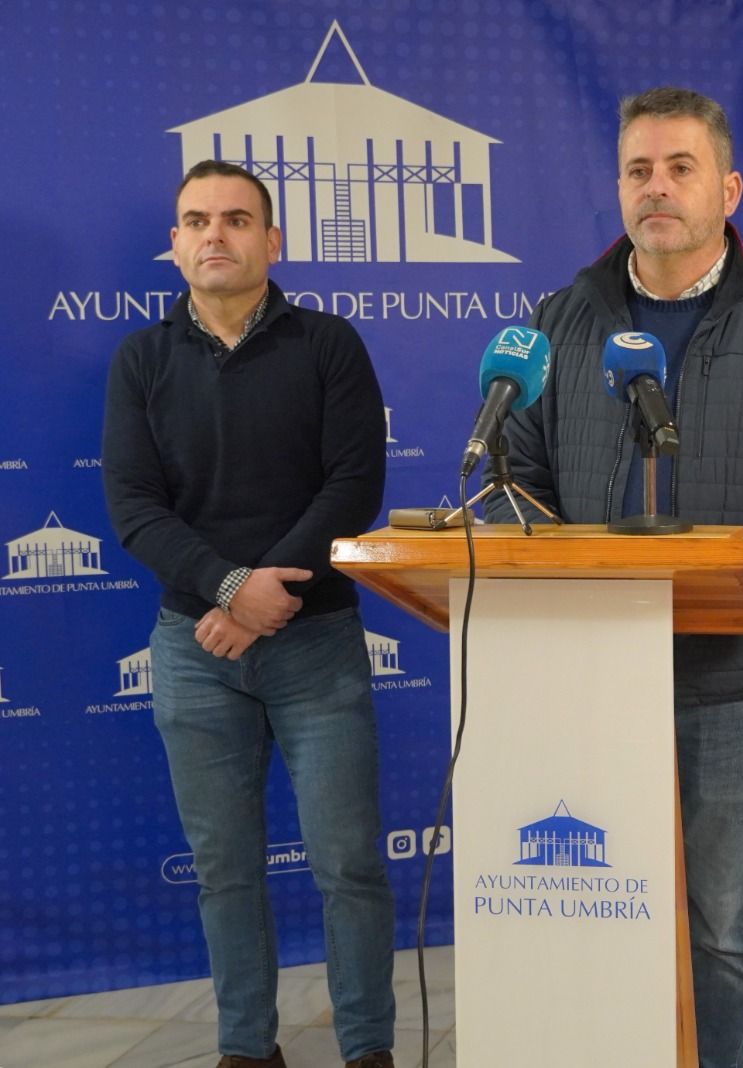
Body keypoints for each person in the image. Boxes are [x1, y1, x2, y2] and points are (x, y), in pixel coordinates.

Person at [490, 86, 743, 1067]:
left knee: (715, 927)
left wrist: (718, 567)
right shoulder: (558, 321)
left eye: (679, 167)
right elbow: (516, 482)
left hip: (732, 678)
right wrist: (539, 541)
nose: (655, 188)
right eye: (637, 170)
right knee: (583, 908)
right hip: (580, 672)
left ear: (728, 188)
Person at [101, 160, 396, 1068]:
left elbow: (355, 484)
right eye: (196, 220)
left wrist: (265, 592)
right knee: (225, 872)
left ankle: (368, 1049)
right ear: (177, 244)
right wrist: (233, 590)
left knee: (348, 866)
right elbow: (135, 509)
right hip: (196, 650)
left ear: (273, 242)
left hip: (317, 647)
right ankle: (245, 1049)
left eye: (236, 219)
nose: (215, 234)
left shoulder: (329, 344)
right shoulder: (142, 360)